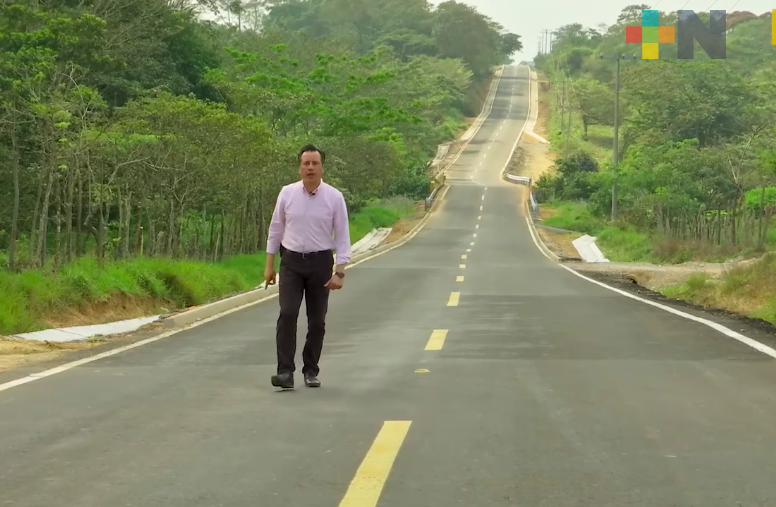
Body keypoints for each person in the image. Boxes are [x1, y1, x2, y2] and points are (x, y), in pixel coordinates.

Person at [264, 144, 351, 389]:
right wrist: (269, 265)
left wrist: (340, 272)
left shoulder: (334, 197)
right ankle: (285, 372)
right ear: (299, 167)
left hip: (320, 262)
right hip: (291, 262)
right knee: (288, 313)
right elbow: (275, 229)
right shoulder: (287, 193)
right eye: (306, 163)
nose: (310, 167)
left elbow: (343, 236)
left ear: (322, 167)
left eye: (315, 163)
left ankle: (310, 370)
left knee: (317, 321)